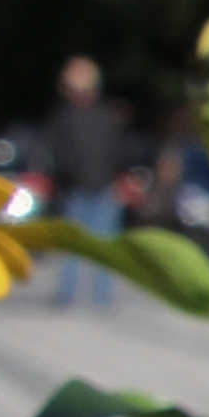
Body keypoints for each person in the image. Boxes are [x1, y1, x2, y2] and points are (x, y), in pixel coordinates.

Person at [38, 56, 129, 304]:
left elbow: (119, 151)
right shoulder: (64, 117)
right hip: (74, 189)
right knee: (74, 246)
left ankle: (102, 294)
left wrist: (121, 180)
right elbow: (52, 152)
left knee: (103, 245)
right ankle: (67, 293)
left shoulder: (106, 115)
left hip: (103, 189)